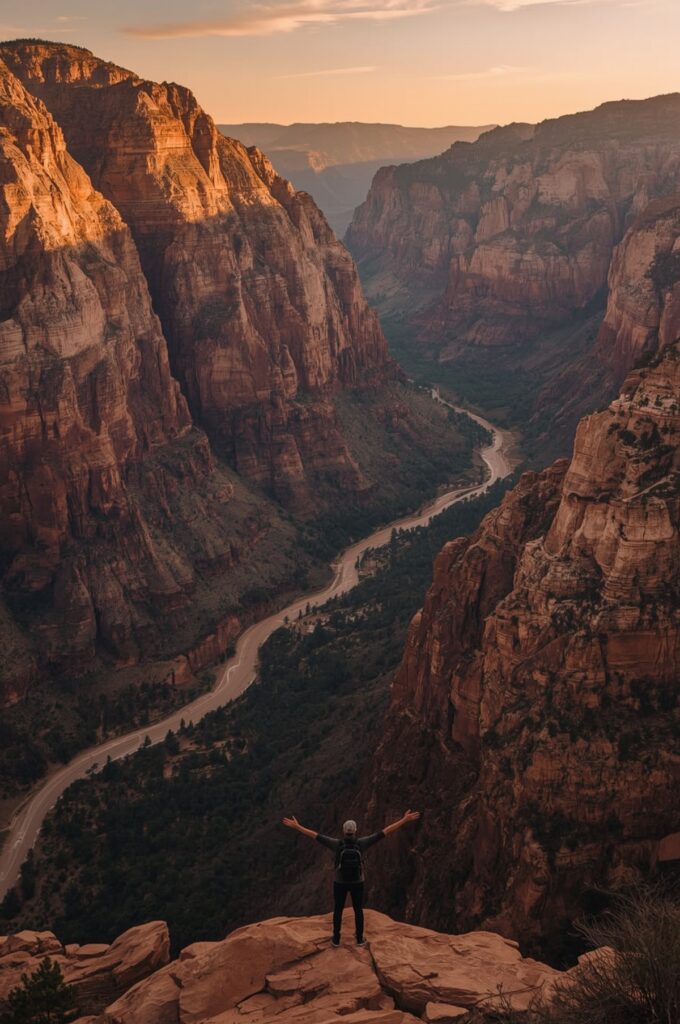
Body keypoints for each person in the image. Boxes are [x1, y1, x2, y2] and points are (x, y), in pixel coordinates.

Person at [282, 810, 420, 946]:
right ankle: (359, 939)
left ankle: (336, 939)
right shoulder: (362, 843)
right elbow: (385, 832)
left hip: (340, 882)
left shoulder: (337, 844)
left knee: (338, 910)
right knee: (358, 910)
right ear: (355, 831)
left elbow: (315, 835)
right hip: (357, 882)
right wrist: (404, 820)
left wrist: (297, 826)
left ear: (344, 831)